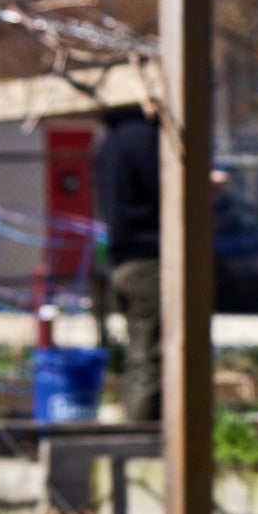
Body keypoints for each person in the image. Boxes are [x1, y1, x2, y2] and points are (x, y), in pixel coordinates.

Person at [94, 102, 162, 422]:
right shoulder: (144, 139)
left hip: (123, 260)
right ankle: (142, 437)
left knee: (140, 354)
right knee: (152, 356)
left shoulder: (107, 143)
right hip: (148, 258)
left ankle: (138, 425)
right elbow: (163, 192)